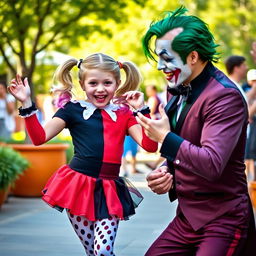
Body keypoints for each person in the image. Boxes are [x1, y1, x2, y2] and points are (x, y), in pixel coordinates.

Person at [8, 53, 158, 256]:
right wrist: (26, 102)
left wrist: (143, 110)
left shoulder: (124, 113)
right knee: (92, 252)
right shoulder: (72, 110)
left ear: (118, 83)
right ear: (82, 83)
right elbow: (39, 137)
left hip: (110, 190)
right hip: (77, 188)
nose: (100, 89)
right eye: (93, 83)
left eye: (107, 82)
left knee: (103, 251)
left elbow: (149, 145)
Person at [136, 6, 256, 255]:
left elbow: (211, 163)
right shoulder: (176, 87)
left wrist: (165, 139)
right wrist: (165, 171)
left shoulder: (224, 96)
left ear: (192, 56)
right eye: (159, 57)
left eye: (167, 58)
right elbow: (185, 146)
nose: (160, 66)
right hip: (187, 217)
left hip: (225, 219)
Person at [245, 69, 256, 181]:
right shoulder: (245, 89)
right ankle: (250, 182)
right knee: (249, 157)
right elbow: (247, 113)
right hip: (250, 127)